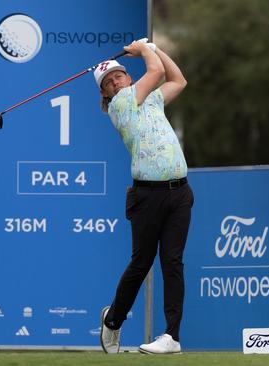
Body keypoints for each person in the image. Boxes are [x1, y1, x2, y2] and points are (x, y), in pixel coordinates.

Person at [95, 39, 193, 354]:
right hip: (147, 195)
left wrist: (154, 46)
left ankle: (171, 337)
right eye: (108, 83)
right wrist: (144, 49)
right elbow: (156, 69)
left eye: (118, 76)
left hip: (179, 192)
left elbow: (178, 80)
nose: (115, 82)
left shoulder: (149, 99)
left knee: (173, 262)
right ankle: (113, 321)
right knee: (142, 262)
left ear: (127, 77)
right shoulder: (121, 105)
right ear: (106, 94)